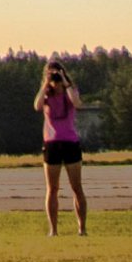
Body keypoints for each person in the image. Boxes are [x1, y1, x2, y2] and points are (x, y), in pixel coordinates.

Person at [34, 59, 88, 236]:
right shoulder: (46, 96)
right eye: (52, 75)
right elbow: (37, 106)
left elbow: (77, 103)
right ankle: (53, 230)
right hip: (52, 143)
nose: (55, 79)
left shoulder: (70, 92)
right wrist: (45, 84)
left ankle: (82, 228)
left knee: (76, 187)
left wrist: (65, 82)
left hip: (70, 142)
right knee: (52, 189)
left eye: (57, 74)